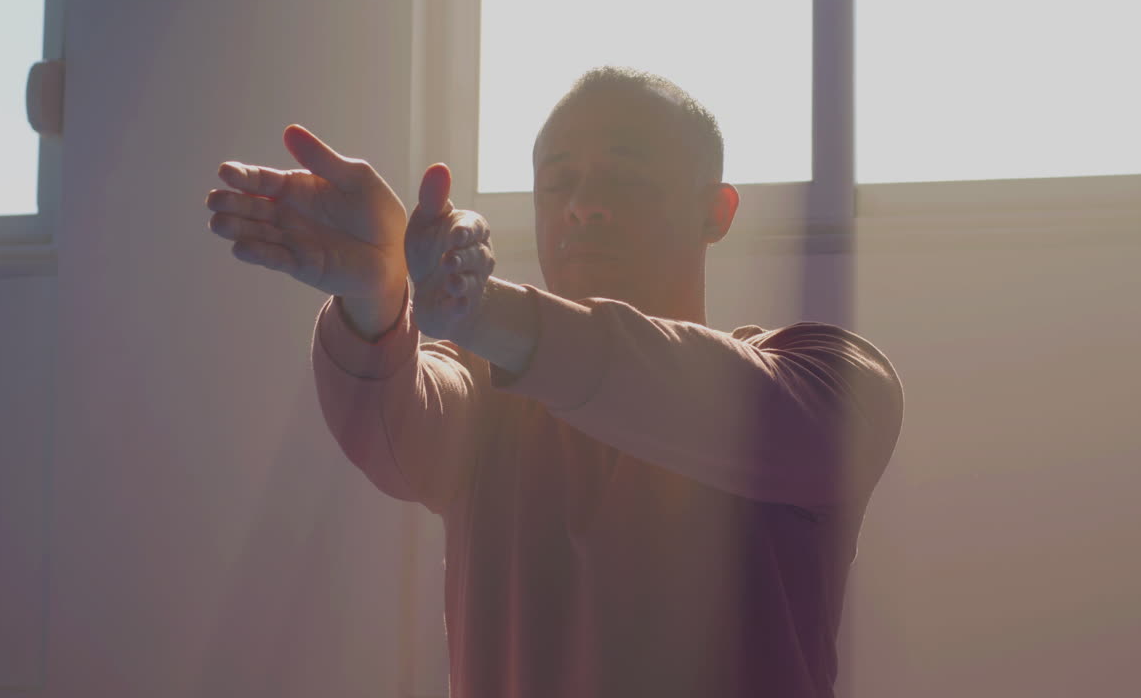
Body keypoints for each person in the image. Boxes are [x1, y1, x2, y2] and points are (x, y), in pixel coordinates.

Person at [205, 66, 904, 698]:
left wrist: (483, 313)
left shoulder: (831, 378)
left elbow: (730, 405)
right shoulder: (485, 392)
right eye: (558, 182)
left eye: (624, 177)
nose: (584, 205)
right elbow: (397, 428)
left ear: (715, 211)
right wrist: (374, 299)